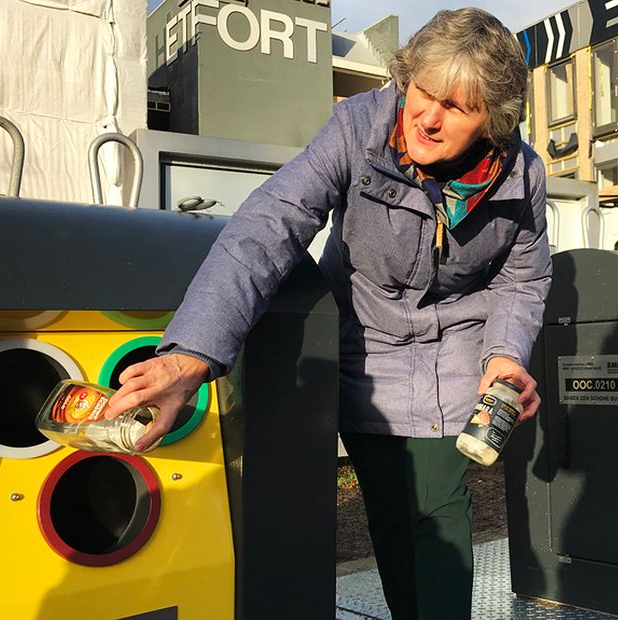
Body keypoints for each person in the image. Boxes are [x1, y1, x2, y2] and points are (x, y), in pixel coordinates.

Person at [105, 7, 550, 620]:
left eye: (456, 106)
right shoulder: (357, 129)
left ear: (492, 118)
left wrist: (505, 354)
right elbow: (268, 225)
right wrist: (194, 353)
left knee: (437, 519)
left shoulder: (520, 174)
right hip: (365, 345)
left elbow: (523, 276)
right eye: (421, 91)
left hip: (456, 357)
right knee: (390, 517)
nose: (426, 116)